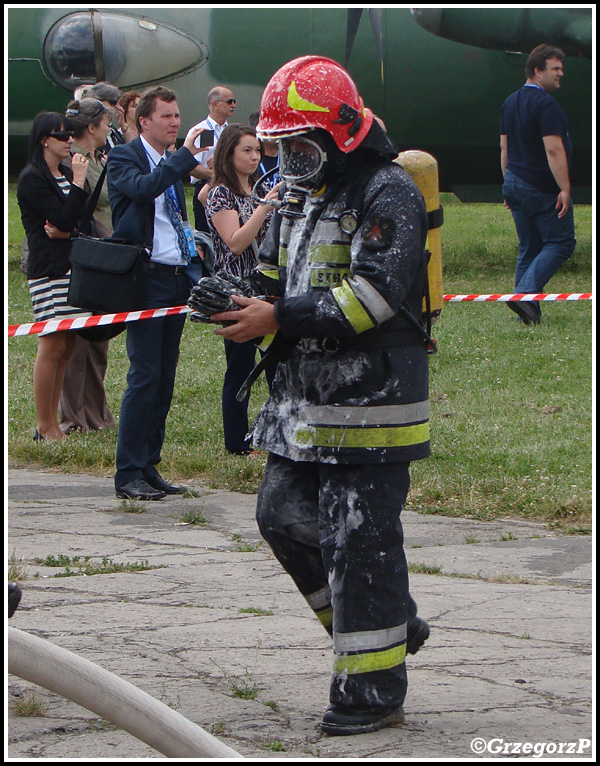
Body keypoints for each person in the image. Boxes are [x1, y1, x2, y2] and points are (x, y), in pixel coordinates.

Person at [189, 56, 431, 735]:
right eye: (282, 148)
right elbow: (273, 275)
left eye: (301, 147)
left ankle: (372, 690)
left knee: (360, 542)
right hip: (302, 405)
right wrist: (235, 299)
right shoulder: (299, 194)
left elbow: (377, 295)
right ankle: (384, 621)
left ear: (342, 133)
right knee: (282, 518)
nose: (290, 162)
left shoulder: (388, 192)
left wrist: (279, 317)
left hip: (371, 405)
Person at [106, 85, 208, 501]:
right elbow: (143, 189)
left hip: (175, 277)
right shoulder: (123, 157)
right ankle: (127, 471)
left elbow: (170, 219)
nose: (175, 122)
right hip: (145, 279)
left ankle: (149, 465)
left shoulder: (167, 163)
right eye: (166, 116)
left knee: (164, 377)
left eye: (177, 115)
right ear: (142, 121)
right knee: (144, 376)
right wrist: (185, 156)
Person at [203, 125, 280, 455]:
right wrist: (264, 208)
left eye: (257, 151)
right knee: (241, 368)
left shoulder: (253, 192)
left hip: (265, 288)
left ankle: (277, 436)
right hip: (236, 291)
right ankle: (237, 443)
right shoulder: (220, 193)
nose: (254, 157)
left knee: (278, 364)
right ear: (228, 154)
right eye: (246, 150)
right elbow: (235, 243)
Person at [17, 112, 90, 442]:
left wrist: (68, 229)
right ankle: (45, 424)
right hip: (48, 270)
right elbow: (60, 218)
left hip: (71, 266)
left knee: (68, 343)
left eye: (71, 134)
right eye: (62, 136)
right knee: (52, 343)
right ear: (44, 139)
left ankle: (52, 422)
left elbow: (79, 223)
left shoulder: (64, 173)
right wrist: (76, 184)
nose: (69, 141)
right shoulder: (33, 178)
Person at [48, 98, 116, 433]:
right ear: (92, 127)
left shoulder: (98, 158)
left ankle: (96, 412)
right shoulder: (74, 163)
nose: (110, 128)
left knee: (98, 340)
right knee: (77, 344)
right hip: (88, 253)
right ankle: (72, 418)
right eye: (106, 122)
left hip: (105, 253)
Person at [500, 44, 576, 325]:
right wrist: (565, 189)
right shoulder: (547, 105)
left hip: (515, 183)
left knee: (529, 247)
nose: (561, 74)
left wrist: (508, 184)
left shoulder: (510, 102)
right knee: (561, 242)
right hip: (541, 188)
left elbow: (504, 149)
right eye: (555, 69)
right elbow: (554, 150)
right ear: (537, 70)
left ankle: (527, 316)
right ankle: (524, 293)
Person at [188, 86, 237, 232]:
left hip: (231, 189)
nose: (233, 105)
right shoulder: (203, 132)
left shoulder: (233, 132)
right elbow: (191, 167)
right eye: (229, 101)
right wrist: (217, 175)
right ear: (215, 104)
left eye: (234, 101)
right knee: (207, 237)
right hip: (206, 189)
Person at [83, 82, 127, 150]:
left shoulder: (113, 130)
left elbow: (133, 150)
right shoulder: (93, 131)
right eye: (112, 102)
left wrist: (123, 126)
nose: (115, 107)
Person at [249, 110, 280, 190]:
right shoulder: (251, 161)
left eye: (277, 125)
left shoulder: (287, 161)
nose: (275, 130)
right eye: (270, 126)